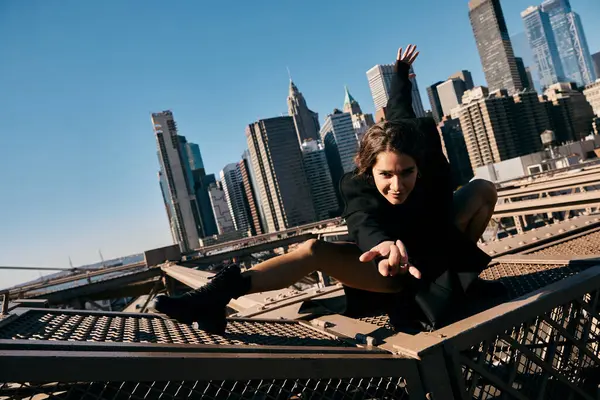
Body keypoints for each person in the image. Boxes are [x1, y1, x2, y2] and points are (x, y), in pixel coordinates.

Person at [152, 44, 505, 335]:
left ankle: (460, 280)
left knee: (482, 190)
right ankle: (218, 294)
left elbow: (399, 106)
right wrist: (380, 246)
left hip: (435, 248)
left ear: (418, 162)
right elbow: (364, 221)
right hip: (388, 267)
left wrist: (400, 74)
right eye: (385, 175)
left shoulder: (422, 148)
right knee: (313, 249)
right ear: (370, 168)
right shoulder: (357, 185)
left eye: (407, 172)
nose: (397, 185)